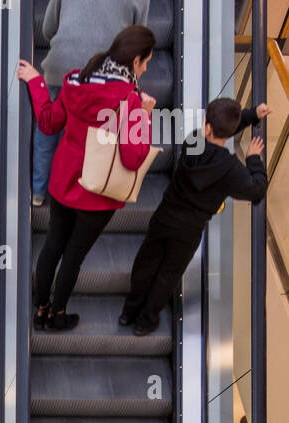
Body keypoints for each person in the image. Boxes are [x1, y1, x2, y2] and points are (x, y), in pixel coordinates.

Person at [17, 26, 156, 331]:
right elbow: (133, 158)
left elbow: (48, 122)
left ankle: (40, 308)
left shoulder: (77, 80)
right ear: (134, 62)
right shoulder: (130, 100)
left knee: (53, 244)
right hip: (98, 196)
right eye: (145, 62)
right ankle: (57, 314)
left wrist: (36, 81)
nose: (146, 68)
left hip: (63, 183)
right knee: (73, 256)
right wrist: (145, 115)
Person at [121, 98, 269, 336]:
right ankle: (146, 320)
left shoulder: (192, 142)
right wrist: (253, 158)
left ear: (207, 128)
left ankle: (129, 311)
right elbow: (257, 190)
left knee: (146, 263)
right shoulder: (231, 170)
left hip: (165, 216)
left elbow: (216, 132)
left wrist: (250, 115)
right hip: (189, 230)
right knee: (168, 273)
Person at [34, 0, 151, 204]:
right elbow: (137, 39)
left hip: (60, 66)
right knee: (101, 131)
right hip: (107, 76)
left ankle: (38, 191)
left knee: (48, 130)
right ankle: (93, 187)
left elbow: (48, 29)